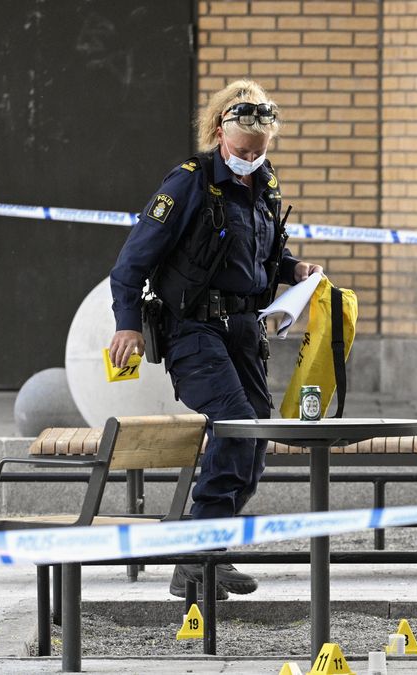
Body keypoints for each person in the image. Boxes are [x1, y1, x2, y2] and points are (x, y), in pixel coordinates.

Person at [108, 80, 322, 598]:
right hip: (193, 330)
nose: (250, 158)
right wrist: (127, 323)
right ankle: (198, 553)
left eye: (259, 150)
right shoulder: (188, 183)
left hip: (245, 330)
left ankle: (207, 550)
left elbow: (262, 259)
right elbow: (130, 264)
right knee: (235, 422)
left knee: (254, 441)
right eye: (242, 150)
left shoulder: (266, 185)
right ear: (220, 132)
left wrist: (297, 271)